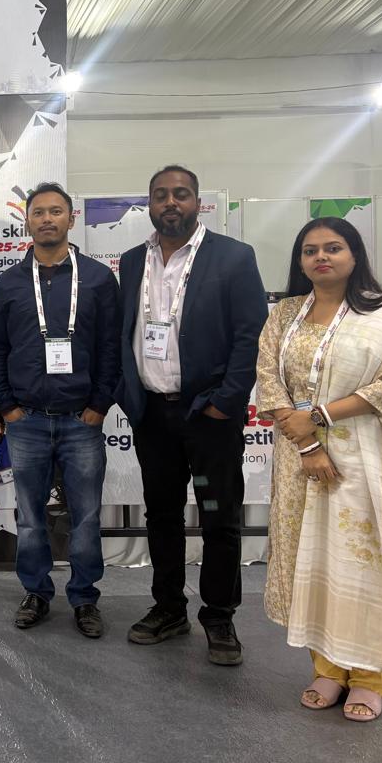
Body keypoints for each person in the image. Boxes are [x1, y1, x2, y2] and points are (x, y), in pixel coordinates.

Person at [258, 217, 382, 721]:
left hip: (367, 457)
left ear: (354, 255)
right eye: (310, 250)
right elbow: (269, 380)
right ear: (300, 261)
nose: (321, 257)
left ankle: (370, 677)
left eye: (333, 248)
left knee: (367, 565)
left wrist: (320, 416)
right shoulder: (285, 314)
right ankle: (327, 669)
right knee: (313, 561)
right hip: (301, 460)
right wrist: (308, 443)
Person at [116, 165, 267, 665]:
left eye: (180, 194)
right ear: (150, 204)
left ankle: (219, 616)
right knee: (161, 515)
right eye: (160, 195)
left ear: (198, 202)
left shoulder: (233, 257)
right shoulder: (132, 261)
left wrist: (227, 401)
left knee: (218, 516)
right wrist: (127, 394)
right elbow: (124, 331)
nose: (170, 203)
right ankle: (168, 608)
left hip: (209, 416)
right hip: (153, 415)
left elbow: (251, 335)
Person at [0, 182, 120, 638]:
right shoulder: (8, 284)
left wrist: (99, 405)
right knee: (29, 518)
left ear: (71, 219)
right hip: (26, 421)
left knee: (85, 517)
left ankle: (84, 597)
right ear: (27, 221)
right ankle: (37, 592)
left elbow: (110, 349)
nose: (47, 219)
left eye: (56, 211)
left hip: (81, 420)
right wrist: (7, 406)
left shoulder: (98, 279)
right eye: (39, 212)